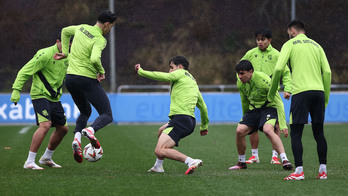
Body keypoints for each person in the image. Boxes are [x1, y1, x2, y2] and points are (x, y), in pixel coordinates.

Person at [268, 20, 331, 180]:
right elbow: (328, 72)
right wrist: (325, 97)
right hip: (318, 92)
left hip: (301, 93)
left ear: (292, 31)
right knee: (319, 133)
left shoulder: (290, 44)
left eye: (289, 32)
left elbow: (279, 68)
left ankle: (299, 171)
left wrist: (273, 91)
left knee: (296, 133)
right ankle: (322, 171)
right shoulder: (317, 46)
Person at [54, 10, 117, 163]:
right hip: (86, 79)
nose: (110, 30)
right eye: (111, 27)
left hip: (70, 79)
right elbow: (95, 58)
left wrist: (65, 52)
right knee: (107, 114)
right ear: (107, 24)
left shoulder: (81, 28)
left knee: (85, 111)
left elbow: (64, 31)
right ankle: (90, 130)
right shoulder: (100, 39)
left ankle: (77, 140)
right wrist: (101, 71)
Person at [134, 56, 209, 175]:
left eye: (171, 68)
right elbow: (203, 107)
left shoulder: (180, 73)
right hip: (189, 121)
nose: (170, 71)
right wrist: (204, 126)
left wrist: (142, 72)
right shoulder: (193, 82)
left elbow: (164, 77)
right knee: (161, 131)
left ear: (179, 67)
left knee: (159, 150)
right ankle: (158, 166)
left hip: (181, 119)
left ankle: (190, 161)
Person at [10, 34, 69, 170]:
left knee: (63, 128)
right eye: (65, 43)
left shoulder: (68, 56)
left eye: (70, 44)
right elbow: (25, 71)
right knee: (45, 125)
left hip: (54, 97)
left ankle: (46, 158)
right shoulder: (44, 54)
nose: (68, 47)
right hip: (40, 94)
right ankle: (29, 161)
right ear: (57, 41)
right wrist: (16, 89)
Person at [229, 60, 293, 171]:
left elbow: (278, 102)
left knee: (268, 130)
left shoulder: (264, 81)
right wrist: (245, 118)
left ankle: (285, 160)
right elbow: (244, 101)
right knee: (239, 130)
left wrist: (283, 125)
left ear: (251, 72)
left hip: (269, 107)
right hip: (254, 110)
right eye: (238, 74)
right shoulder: (240, 82)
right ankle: (241, 163)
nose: (240, 77)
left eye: (242, 74)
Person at [240, 28, 292, 165]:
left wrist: (288, 89)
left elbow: (286, 73)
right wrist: (241, 82)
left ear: (270, 40)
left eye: (263, 39)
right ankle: (254, 155)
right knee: (253, 126)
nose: (260, 42)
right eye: (258, 39)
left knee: (274, 127)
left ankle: (275, 155)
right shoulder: (250, 54)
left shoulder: (276, 55)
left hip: (269, 92)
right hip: (254, 95)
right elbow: (239, 68)